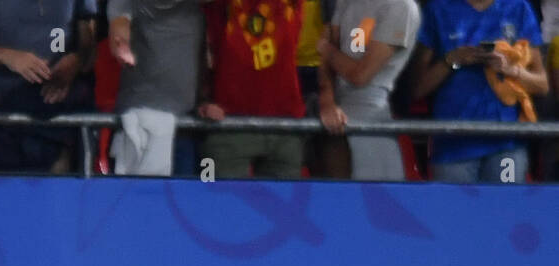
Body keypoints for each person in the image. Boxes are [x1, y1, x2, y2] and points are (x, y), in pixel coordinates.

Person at [0, 0, 98, 173]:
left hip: (54, 111)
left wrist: (74, 63)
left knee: (53, 196)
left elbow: (88, 49)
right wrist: (7, 57)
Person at [411, 0, 547, 182]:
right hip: (452, 145)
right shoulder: (438, 9)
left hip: (507, 144)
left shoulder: (518, 7)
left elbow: (542, 85)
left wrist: (511, 70)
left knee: (504, 208)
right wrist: (452, 60)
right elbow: (416, 89)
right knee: (455, 211)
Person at [198, 0, 308, 179]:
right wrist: (201, 99)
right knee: (219, 203)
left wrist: (327, 96)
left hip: (286, 126)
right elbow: (195, 43)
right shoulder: (220, 6)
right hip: (228, 124)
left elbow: (327, 41)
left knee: (285, 206)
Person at [315, 0, 421, 180]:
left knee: (371, 198)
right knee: (331, 197)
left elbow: (360, 75)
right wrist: (327, 99)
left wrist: (326, 49)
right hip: (334, 110)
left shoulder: (400, 6)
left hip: (370, 114)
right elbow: (326, 58)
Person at [105, 0, 206, 176]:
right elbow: (118, 24)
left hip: (187, 126)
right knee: (133, 200)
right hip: (137, 124)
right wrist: (121, 43)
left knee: (182, 201)